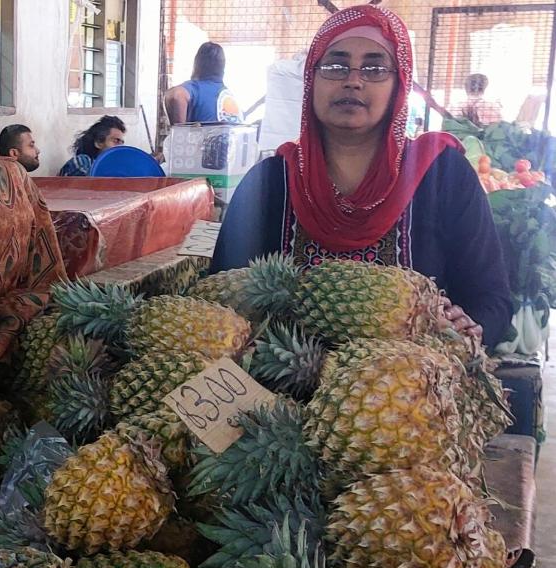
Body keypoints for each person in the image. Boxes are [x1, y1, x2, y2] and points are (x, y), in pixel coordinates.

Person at [210, 5, 512, 350]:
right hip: (278, 395)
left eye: (374, 68)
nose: (353, 80)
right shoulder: (268, 184)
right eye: (335, 66)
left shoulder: (443, 176)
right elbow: (221, 300)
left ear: (399, 84)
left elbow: (494, 300)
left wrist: (471, 325)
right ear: (312, 79)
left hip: (410, 395)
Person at [164, 42, 243, 124]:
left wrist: (179, 130)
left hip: (201, 136)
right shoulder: (228, 95)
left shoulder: (197, 89)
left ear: (197, 63)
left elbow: (176, 95)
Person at [59, 115, 126, 176]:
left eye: (122, 143)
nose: (121, 147)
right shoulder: (83, 161)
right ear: (99, 142)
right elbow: (92, 184)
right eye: (116, 141)